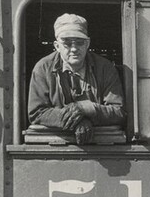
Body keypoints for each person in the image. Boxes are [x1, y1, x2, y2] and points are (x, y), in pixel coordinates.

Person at [27, 13, 125, 144]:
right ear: (57, 46)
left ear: (88, 43)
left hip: (101, 144)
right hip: (56, 144)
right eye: (67, 43)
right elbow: (37, 112)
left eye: (79, 42)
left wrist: (87, 109)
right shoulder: (43, 68)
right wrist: (78, 120)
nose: (74, 48)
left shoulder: (105, 68)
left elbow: (119, 111)